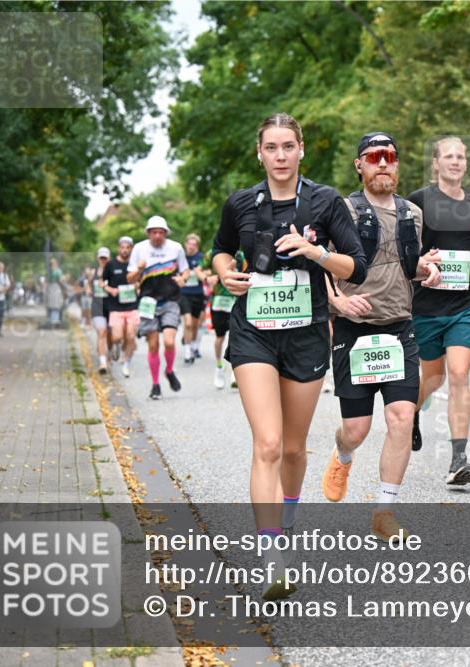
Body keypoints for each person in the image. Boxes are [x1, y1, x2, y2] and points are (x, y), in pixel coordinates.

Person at [210, 112, 367, 600]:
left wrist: (313, 252)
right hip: (253, 331)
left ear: (302, 150)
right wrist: (225, 273)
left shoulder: (324, 201)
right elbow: (219, 251)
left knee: (295, 449)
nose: (279, 156)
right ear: (260, 153)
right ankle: (272, 556)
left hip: (306, 336)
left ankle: (288, 518)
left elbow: (355, 267)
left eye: (287, 147)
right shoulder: (241, 202)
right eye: (270, 147)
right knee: (270, 444)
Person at [321, 132, 441, 540]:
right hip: (354, 332)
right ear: (360, 165)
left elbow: (405, 266)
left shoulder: (412, 213)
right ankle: (342, 454)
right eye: (374, 157)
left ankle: (384, 512)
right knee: (356, 429)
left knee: (402, 418)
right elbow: (320, 265)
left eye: (390, 156)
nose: (383, 163)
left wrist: (426, 269)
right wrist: (336, 303)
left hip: (400, 329)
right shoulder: (344, 210)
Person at [407, 136, 470, 485]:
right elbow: (405, 245)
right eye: (448, 156)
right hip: (425, 305)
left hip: (464, 305)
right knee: (433, 376)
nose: (455, 161)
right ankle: (410, 412)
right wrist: (421, 264)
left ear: (465, 164)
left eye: (461, 156)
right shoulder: (419, 201)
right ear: (436, 163)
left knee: (458, 374)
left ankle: (458, 459)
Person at [127, 216, 190, 399]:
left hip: (170, 300)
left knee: (169, 342)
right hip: (148, 302)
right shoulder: (139, 249)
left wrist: (183, 278)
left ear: (165, 233)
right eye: (154, 232)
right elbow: (129, 279)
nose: (157, 236)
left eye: (161, 232)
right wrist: (139, 270)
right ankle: (155, 385)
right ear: (148, 233)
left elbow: (185, 269)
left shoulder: (176, 248)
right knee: (153, 345)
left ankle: (169, 371)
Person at [204, 248, 245, 389]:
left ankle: (236, 371)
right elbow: (199, 269)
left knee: (236, 336)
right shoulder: (212, 253)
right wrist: (207, 278)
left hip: (237, 300)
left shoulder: (241, 254)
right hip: (218, 301)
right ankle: (219, 367)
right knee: (220, 337)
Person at [102, 236, 140, 378]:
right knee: (117, 336)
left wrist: (138, 286)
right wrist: (110, 290)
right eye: (122, 247)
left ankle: (126, 363)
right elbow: (102, 282)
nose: (125, 250)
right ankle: (116, 346)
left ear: (131, 248)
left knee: (130, 335)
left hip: (132, 305)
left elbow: (141, 280)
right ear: (119, 248)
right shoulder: (111, 264)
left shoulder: (134, 264)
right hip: (115, 306)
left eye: (128, 247)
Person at [178, 233, 207, 364]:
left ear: (197, 246)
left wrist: (202, 273)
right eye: (189, 244)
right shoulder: (180, 257)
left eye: (194, 244)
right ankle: (187, 353)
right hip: (183, 294)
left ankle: (191, 344)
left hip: (197, 294)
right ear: (185, 244)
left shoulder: (201, 258)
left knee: (195, 325)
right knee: (188, 323)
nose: (191, 246)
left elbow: (209, 271)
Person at [91, 248, 112, 373]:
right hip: (97, 306)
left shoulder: (112, 272)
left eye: (105, 258)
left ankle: (110, 350)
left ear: (109, 258)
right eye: (101, 258)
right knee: (101, 332)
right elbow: (88, 284)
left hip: (111, 306)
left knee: (110, 335)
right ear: (98, 259)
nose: (103, 260)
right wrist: (88, 289)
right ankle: (102, 362)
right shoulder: (93, 272)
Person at [45, 258, 65, 326]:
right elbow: (61, 280)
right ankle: (54, 320)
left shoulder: (50, 271)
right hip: (56, 288)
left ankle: (52, 319)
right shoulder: (57, 271)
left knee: (52, 304)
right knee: (56, 304)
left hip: (51, 288)